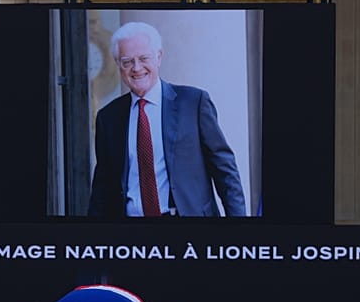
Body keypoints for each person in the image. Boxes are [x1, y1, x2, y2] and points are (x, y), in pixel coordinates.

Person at [86, 21, 246, 217]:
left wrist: (240, 228)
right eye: (127, 61)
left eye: (144, 58)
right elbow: (103, 186)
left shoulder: (194, 103)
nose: (136, 68)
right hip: (131, 235)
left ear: (158, 57)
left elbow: (224, 170)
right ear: (118, 64)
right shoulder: (108, 118)